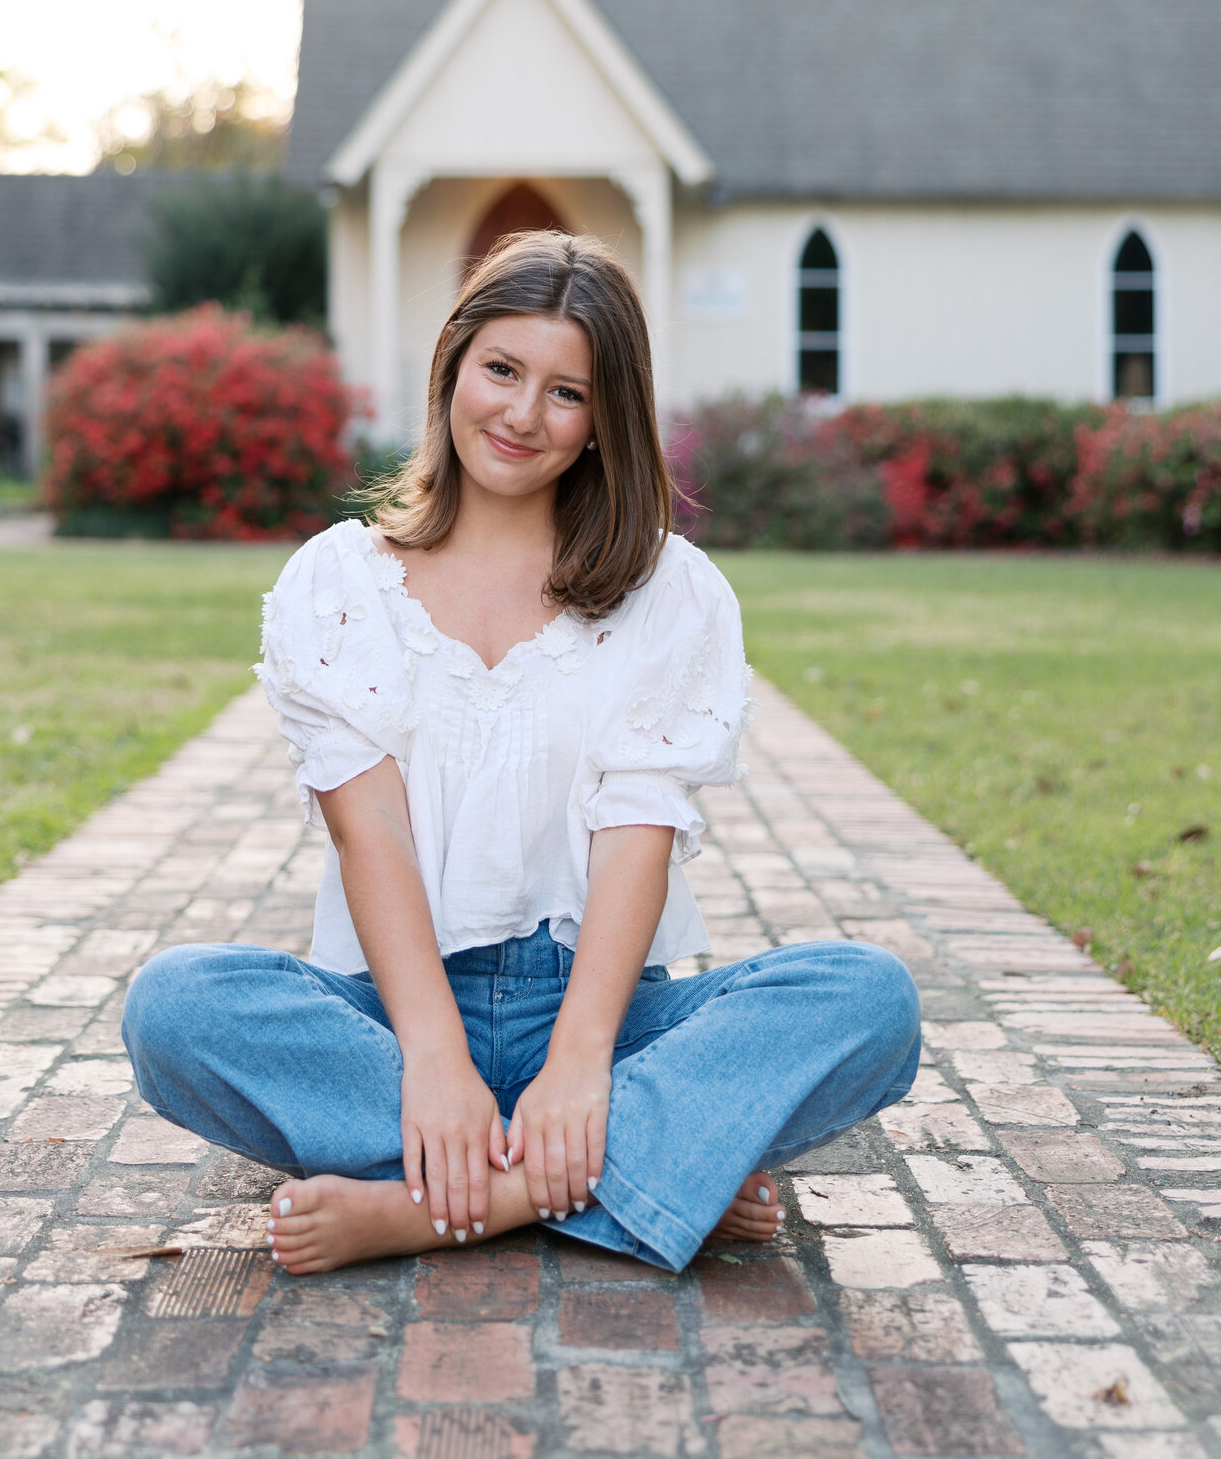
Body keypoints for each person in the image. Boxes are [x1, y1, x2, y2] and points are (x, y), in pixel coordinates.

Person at [122, 231, 920, 1274]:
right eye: (501, 369)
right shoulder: (340, 583)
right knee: (173, 1007)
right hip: (395, 1014)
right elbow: (373, 847)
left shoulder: (668, 592)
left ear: (602, 422)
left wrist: (584, 1060)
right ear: (452, 363)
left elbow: (639, 832)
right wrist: (435, 1061)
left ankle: (442, 1202)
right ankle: (653, 1172)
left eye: (565, 392)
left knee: (871, 999)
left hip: (606, 1011)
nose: (520, 413)